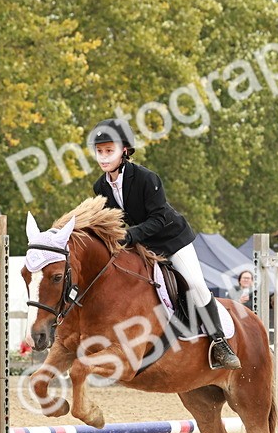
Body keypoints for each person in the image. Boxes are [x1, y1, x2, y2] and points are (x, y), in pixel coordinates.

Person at [89, 118, 240, 369]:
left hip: (171, 240)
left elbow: (158, 219)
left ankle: (220, 343)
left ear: (124, 150)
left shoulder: (146, 178)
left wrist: (130, 235)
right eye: (100, 151)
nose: (103, 157)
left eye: (109, 150)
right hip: (140, 245)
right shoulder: (100, 186)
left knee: (195, 283)